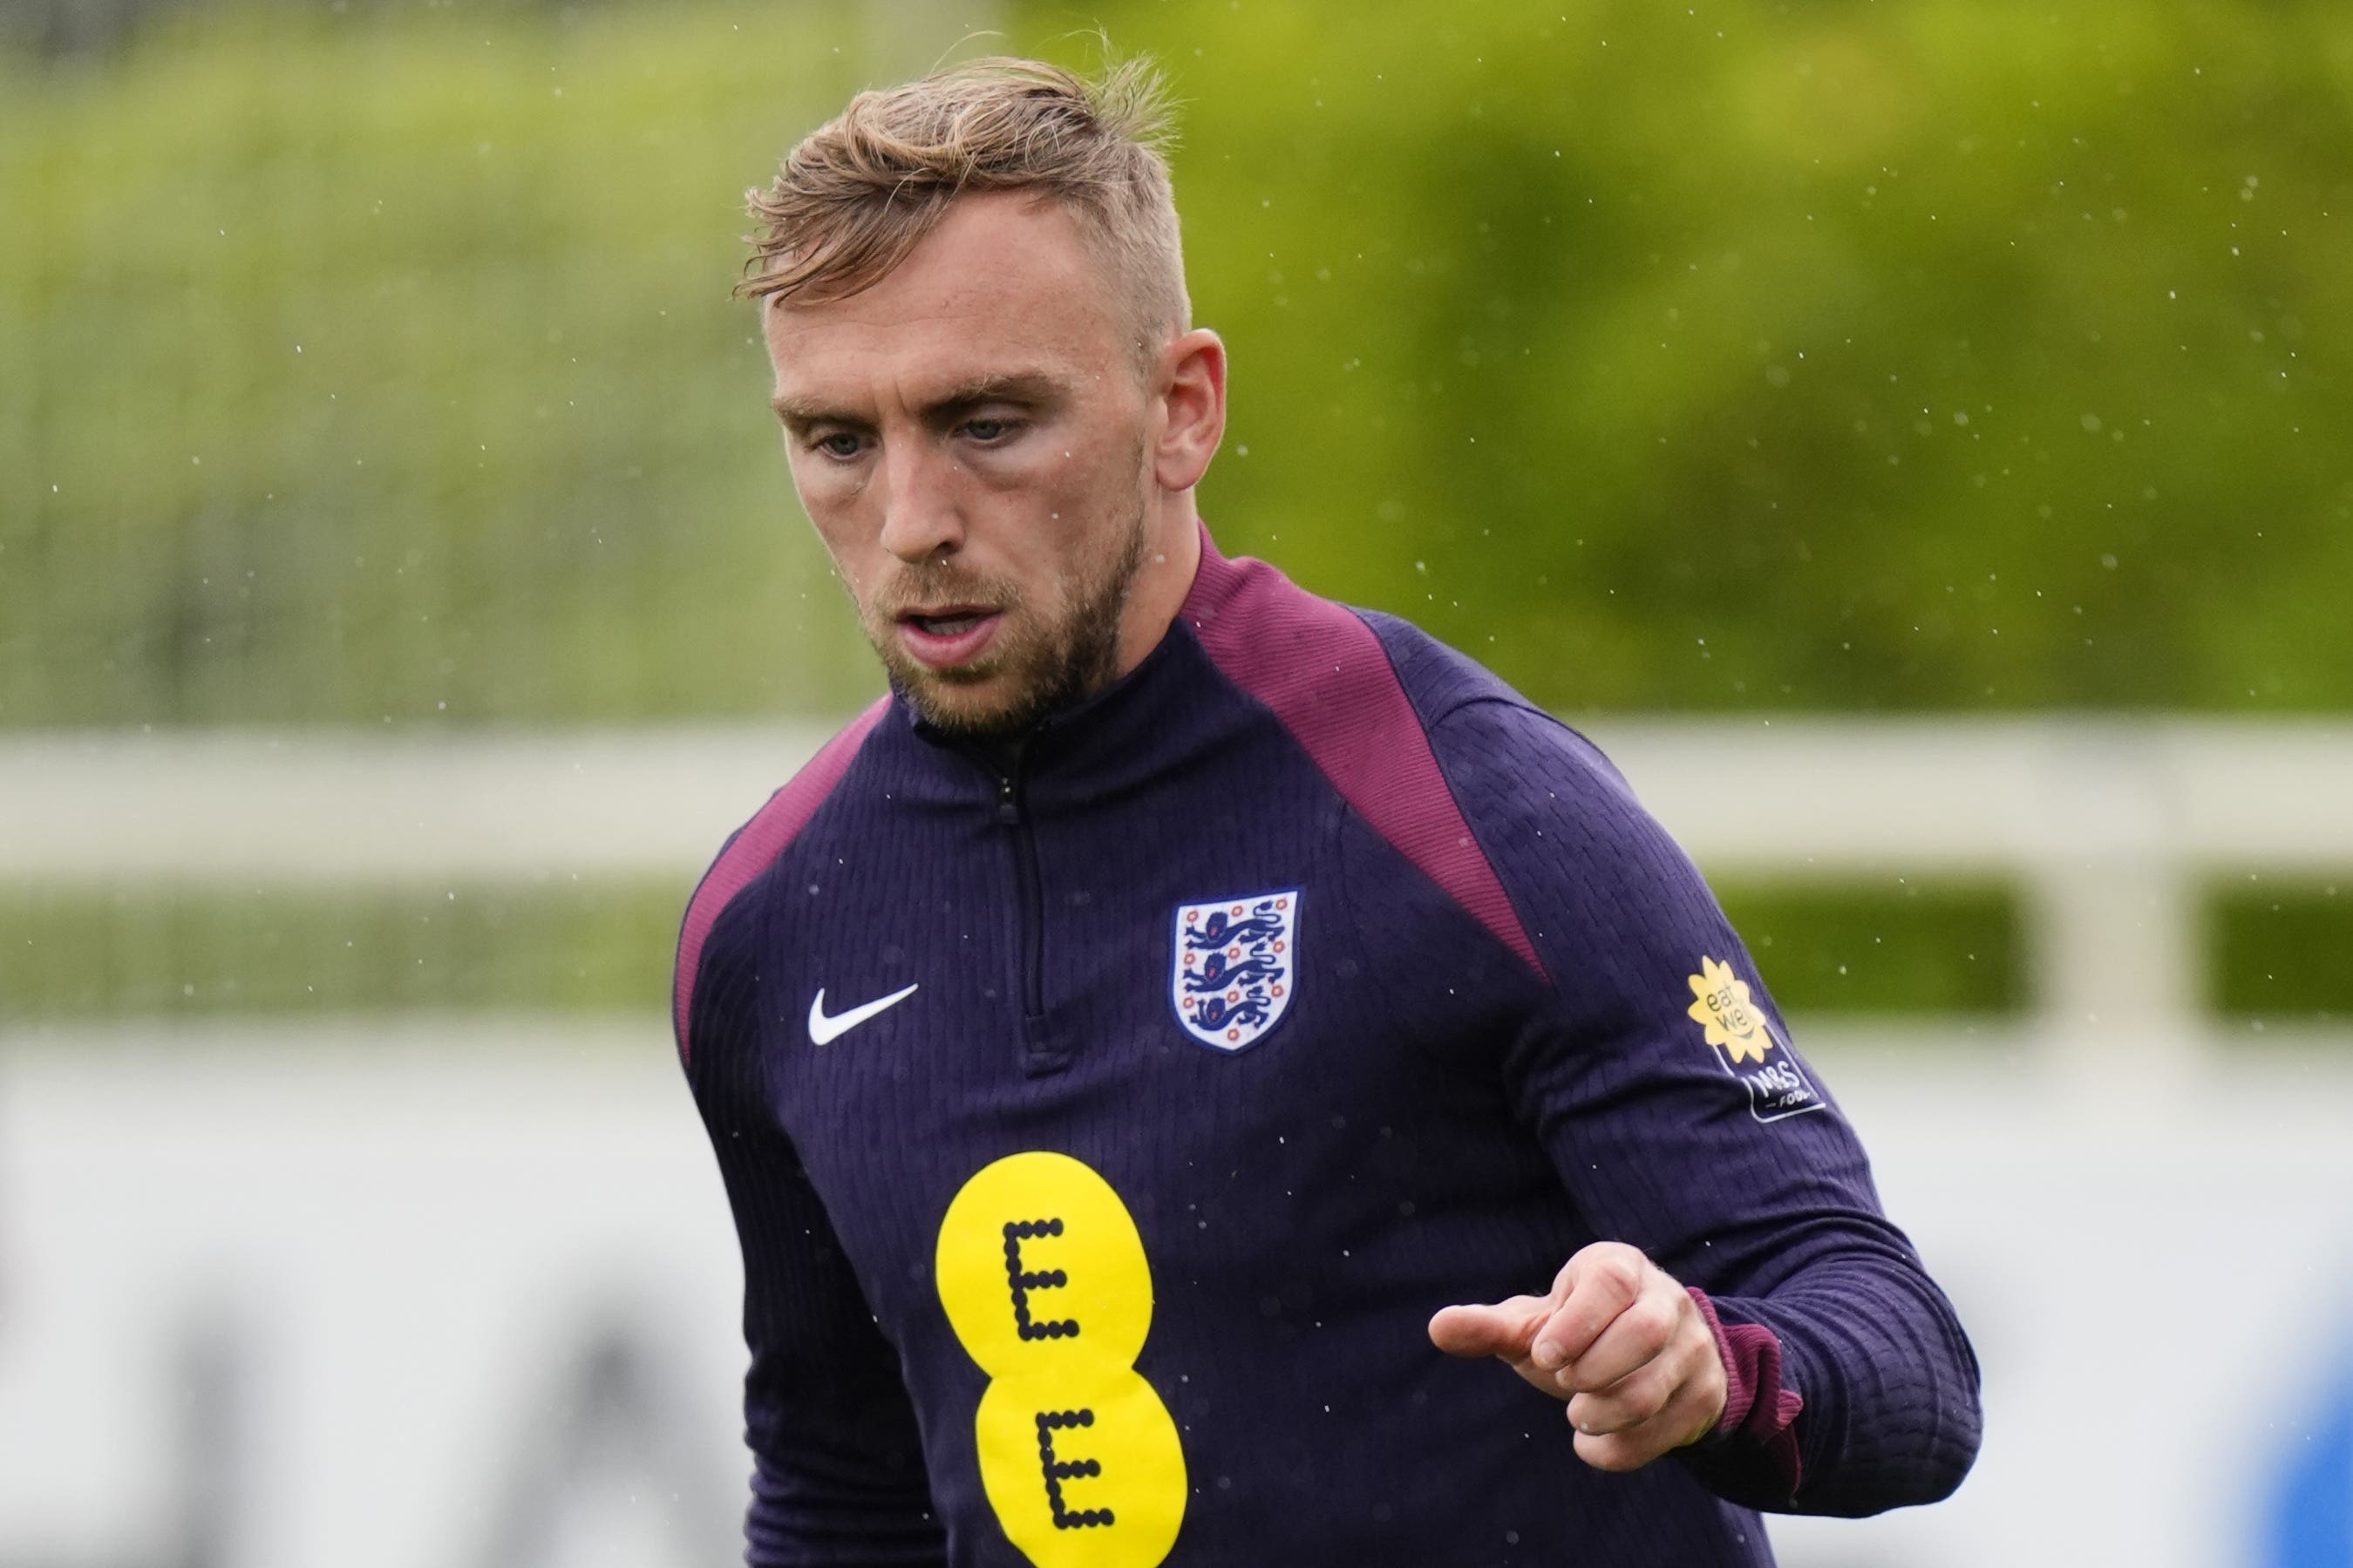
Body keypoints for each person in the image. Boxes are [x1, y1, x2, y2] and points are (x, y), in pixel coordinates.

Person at [673, 54, 1981, 1568]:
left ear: (1182, 409)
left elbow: (1902, 1358)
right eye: (839, 441)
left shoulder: (1466, 807)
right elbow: (845, 1498)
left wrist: (1715, 1366)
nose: (912, 523)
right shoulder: (770, 927)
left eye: (988, 423)